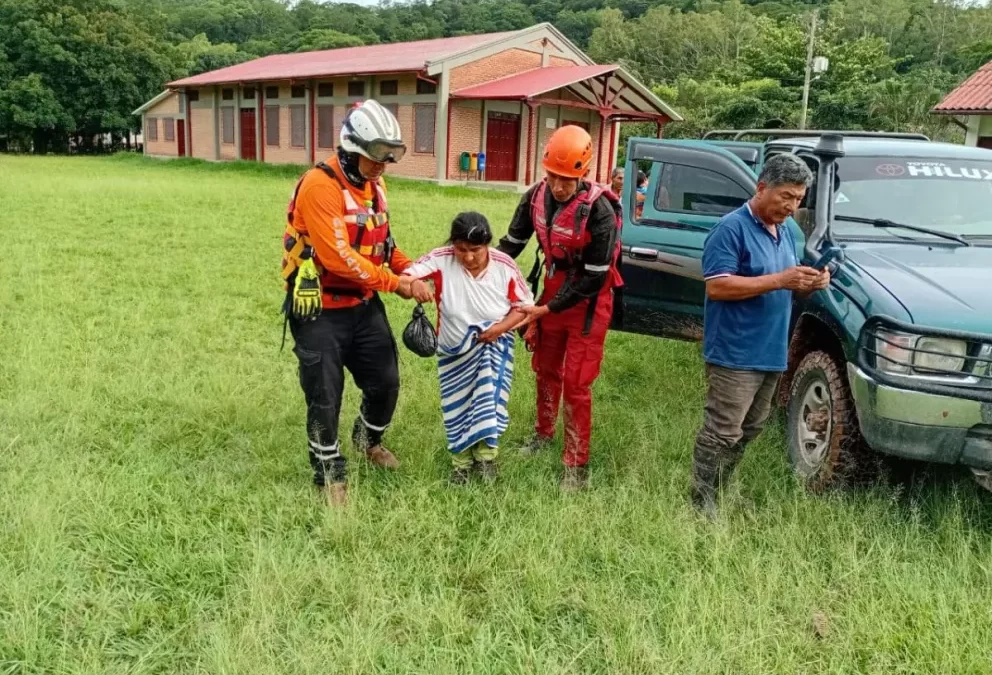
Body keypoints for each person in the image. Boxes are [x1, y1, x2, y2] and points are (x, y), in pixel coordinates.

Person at [282, 99, 432, 506]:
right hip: (320, 309)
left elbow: (384, 244)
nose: (382, 165)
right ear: (351, 149)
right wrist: (396, 284)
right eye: (374, 157)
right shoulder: (320, 186)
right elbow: (339, 258)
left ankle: (368, 442)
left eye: (388, 157)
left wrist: (416, 270)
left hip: (363, 306)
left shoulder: (375, 186)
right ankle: (330, 475)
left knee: (385, 382)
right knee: (324, 396)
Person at [691, 153, 829, 519]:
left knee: (751, 428)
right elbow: (718, 287)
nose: (791, 206)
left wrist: (809, 284)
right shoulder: (730, 228)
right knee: (723, 430)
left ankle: (719, 485)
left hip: (771, 349)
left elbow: (786, 289)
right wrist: (782, 279)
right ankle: (701, 498)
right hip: (734, 349)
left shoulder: (785, 233)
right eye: (786, 196)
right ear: (762, 187)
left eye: (798, 199)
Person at [497, 124, 623, 492]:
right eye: (552, 176)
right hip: (550, 290)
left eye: (567, 179)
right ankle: (542, 433)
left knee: (577, 382)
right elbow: (512, 245)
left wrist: (546, 309)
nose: (558, 186)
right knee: (545, 369)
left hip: (588, 301)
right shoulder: (534, 197)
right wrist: (475, 269)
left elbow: (594, 277)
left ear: (583, 172)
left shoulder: (600, 210)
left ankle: (576, 463)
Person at [402, 212, 534, 484]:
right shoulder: (441, 258)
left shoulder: (504, 265)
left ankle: (486, 459)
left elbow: (524, 307)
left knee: (488, 401)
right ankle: (460, 464)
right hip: (453, 350)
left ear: (487, 245)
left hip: (494, 346)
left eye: (476, 250)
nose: (468, 257)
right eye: (461, 250)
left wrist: (498, 329)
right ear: (453, 245)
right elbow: (403, 278)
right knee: (457, 406)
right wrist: (414, 283)